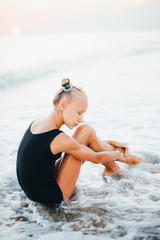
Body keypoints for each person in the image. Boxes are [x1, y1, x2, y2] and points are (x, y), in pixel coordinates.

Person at [16, 78, 145, 204]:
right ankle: (127, 159)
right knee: (86, 130)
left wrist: (111, 143)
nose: (81, 119)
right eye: (79, 113)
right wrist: (119, 154)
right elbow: (96, 158)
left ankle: (114, 167)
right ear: (63, 105)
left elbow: (79, 146)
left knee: (85, 132)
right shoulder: (59, 139)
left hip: (35, 190)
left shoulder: (38, 123)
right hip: (51, 194)